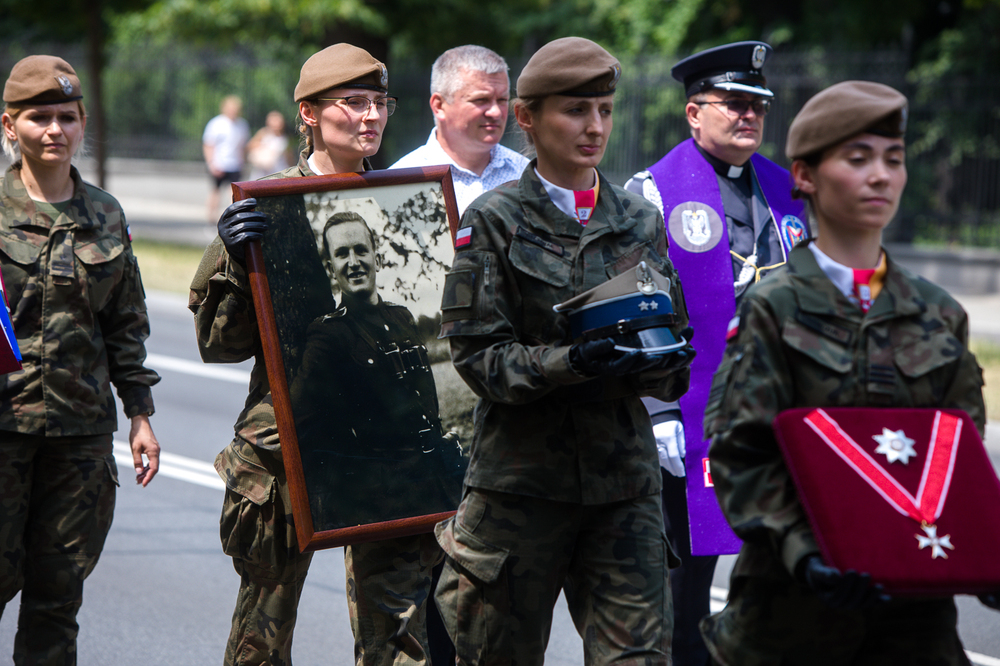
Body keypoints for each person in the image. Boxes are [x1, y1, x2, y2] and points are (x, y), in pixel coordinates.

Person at [700, 80, 1000, 665]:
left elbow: (957, 459)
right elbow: (742, 454)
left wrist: (984, 550)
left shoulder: (938, 313)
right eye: (857, 159)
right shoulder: (772, 307)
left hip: (915, 623)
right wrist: (807, 552)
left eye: (894, 159)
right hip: (791, 617)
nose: (881, 176)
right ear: (805, 177)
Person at [434, 37, 694, 664]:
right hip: (521, 488)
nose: (595, 127)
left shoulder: (640, 219)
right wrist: (570, 362)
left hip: (622, 486)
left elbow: (675, 347)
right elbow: (479, 360)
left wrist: (656, 359)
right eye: (576, 111)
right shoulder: (491, 222)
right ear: (527, 117)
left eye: (604, 110)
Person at [190, 44, 446, 666]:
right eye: (352, 103)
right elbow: (218, 343)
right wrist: (232, 258)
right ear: (308, 113)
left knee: (401, 642)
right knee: (262, 640)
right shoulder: (269, 207)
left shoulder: (404, 201)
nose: (371, 118)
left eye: (379, 102)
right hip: (290, 449)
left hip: (386, 452)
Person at [623, 41, 806, 665]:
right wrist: (657, 408)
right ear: (693, 113)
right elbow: (642, 310)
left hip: (777, 413)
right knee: (687, 580)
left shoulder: (787, 193)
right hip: (690, 414)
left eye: (757, 104)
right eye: (732, 103)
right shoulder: (651, 193)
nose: (749, 115)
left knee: (782, 566)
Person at [0, 55, 161, 665]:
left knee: (58, 595)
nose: (54, 130)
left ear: (83, 122)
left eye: (67, 116)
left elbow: (124, 323)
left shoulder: (106, 214)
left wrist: (140, 414)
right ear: (9, 126)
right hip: (4, 428)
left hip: (81, 435)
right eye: (39, 117)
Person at [289, 211, 464, 530]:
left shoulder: (401, 317)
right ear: (332, 269)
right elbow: (301, 422)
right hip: (384, 499)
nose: (353, 261)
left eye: (360, 250)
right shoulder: (329, 335)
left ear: (376, 257)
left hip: (435, 482)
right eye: (341, 254)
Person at [390, 44, 528, 214]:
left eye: (502, 100)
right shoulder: (399, 182)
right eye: (481, 100)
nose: (496, 112)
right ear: (439, 106)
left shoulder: (527, 174)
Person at [203, 94, 250, 223]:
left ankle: (233, 218)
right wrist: (211, 163)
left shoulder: (242, 125)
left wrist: (243, 163)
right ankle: (211, 219)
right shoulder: (216, 123)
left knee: (234, 193)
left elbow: (242, 146)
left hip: (235, 164)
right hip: (219, 163)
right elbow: (208, 145)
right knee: (215, 191)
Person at [246, 110, 292, 180]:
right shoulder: (263, 133)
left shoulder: (284, 138)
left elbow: (289, 157)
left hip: (278, 172)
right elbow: (249, 146)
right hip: (262, 172)